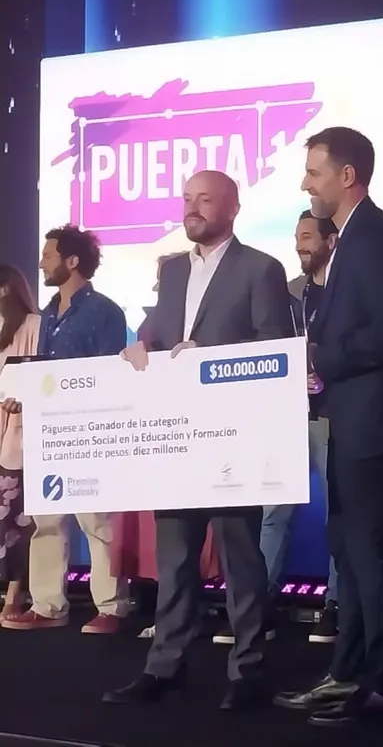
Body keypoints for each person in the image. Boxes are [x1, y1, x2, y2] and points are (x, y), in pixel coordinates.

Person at [102, 169, 294, 711]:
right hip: (177, 438)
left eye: (205, 199)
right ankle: (164, 668)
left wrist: (210, 360)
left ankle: (248, 671)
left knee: (240, 561)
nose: (192, 208)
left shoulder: (261, 268)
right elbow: (160, 336)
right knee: (175, 561)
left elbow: (274, 350)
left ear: (233, 208)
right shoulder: (171, 271)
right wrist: (140, 349)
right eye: (187, 198)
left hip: (232, 437)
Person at [275, 127, 383, 728]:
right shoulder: (355, 236)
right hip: (352, 416)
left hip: (373, 419)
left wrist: (325, 358)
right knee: (350, 548)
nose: (304, 184)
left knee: (369, 554)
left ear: (347, 176)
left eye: (313, 173)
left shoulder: (373, 235)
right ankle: (348, 671)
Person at [1, 226, 129, 634]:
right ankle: (48, 605)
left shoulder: (105, 311)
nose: (41, 263)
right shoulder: (49, 313)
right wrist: (23, 396)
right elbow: (43, 373)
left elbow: (113, 374)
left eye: (48, 255)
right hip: (49, 429)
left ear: (72, 261)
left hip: (89, 430)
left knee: (97, 522)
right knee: (47, 520)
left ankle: (111, 605)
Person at [241, 211, 340, 646]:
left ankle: (335, 604)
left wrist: (326, 375)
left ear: (331, 241)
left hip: (332, 413)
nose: (300, 244)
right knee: (272, 512)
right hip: (285, 414)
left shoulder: (344, 290)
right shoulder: (287, 294)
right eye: (296, 236)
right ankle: (259, 604)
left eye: (308, 236)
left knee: (339, 511)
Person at [119, 251, 223, 641]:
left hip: (217, 435)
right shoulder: (154, 320)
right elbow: (139, 367)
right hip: (167, 438)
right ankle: (173, 627)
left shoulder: (217, 311)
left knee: (222, 538)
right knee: (172, 543)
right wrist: (130, 357)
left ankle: (240, 631)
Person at [0, 265, 41, 620]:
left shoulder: (33, 326)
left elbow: (41, 374)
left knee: (14, 520)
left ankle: (16, 592)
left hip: (16, 434)